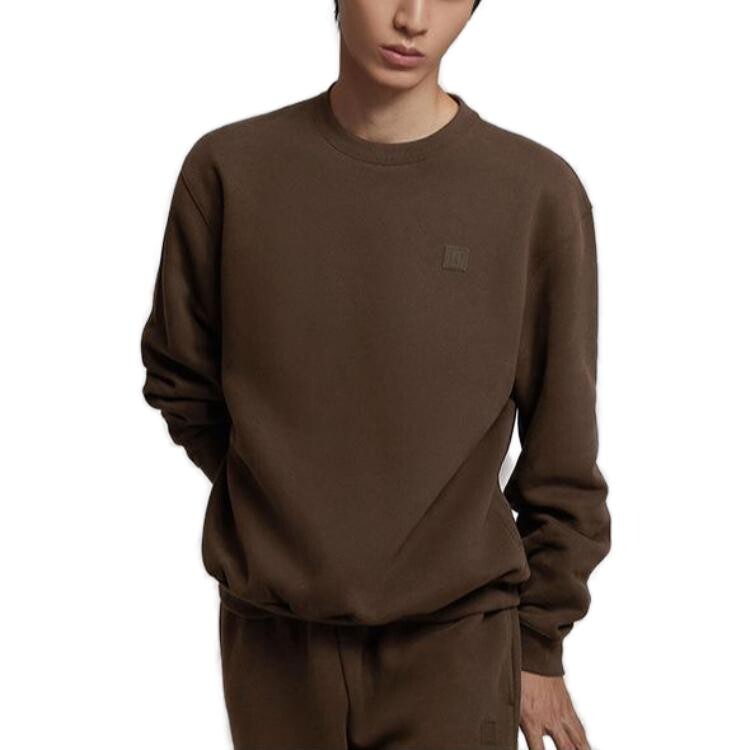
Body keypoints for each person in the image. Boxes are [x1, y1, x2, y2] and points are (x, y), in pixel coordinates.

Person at [139, 1, 611, 748]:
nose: (413, 18)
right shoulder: (229, 170)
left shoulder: (533, 193)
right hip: (272, 645)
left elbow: (563, 447)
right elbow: (180, 378)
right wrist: (277, 497)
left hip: (456, 647)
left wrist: (540, 642)